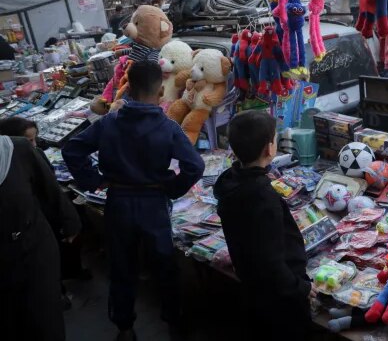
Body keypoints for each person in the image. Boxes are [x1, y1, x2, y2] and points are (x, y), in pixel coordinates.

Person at [63, 60, 204, 341]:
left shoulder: (109, 122)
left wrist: (94, 180)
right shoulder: (168, 127)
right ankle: (174, 322)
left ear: (128, 89)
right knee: (165, 266)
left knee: (122, 266)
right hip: (153, 203)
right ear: (160, 90)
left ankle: (124, 328)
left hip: (119, 202)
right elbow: (195, 165)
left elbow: (72, 150)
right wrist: (172, 188)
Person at [214, 111, 313, 339]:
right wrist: (301, 288)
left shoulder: (230, 182)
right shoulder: (261, 197)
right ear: (269, 149)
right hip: (280, 299)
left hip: (251, 286)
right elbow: (271, 262)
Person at [0, 134, 81, 341]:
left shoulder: (17, 149)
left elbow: (50, 189)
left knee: (44, 319)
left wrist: (69, 222)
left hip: (33, 248)